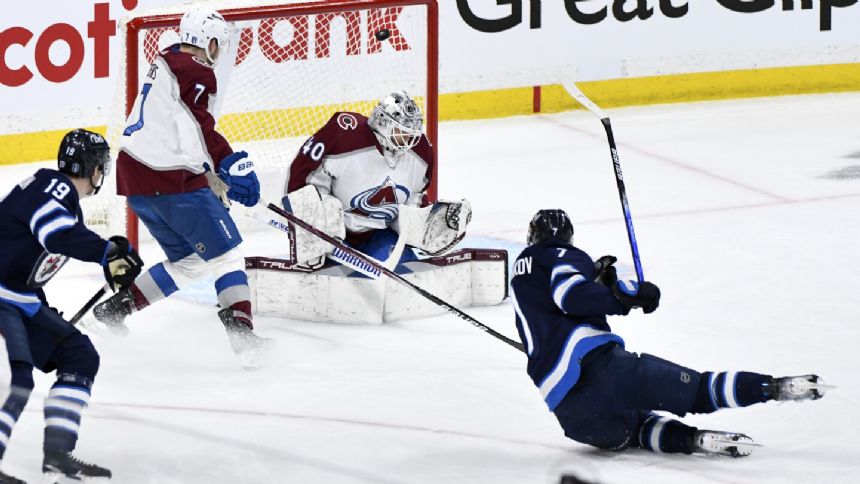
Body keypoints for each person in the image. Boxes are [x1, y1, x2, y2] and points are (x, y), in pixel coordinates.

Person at [510, 209, 826, 457]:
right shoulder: (557, 254)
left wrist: (600, 281)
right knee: (701, 390)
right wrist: (622, 297)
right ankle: (774, 388)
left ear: (531, 235)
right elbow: (570, 295)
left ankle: (692, 440)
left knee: (636, 428)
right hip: (601, 371)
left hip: (574, 416)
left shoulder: (523, 280)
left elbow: (561, 304)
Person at [92, 8, 269, 366]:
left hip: (136, 177)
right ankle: (243, 336)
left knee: (189, 261)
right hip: (168, 177)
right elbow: (198, 126)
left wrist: (211, 172)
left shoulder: (169, 60)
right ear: (211, 41)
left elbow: (180, 128)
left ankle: (116, 309)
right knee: (227, 256)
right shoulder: (196, 71)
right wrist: (227, 163)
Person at [0, 129, 144, 481]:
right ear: (95, 169)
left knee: (78, 355)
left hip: (21, 299)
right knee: (19, 381)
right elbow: (56, 233)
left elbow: (26, 260)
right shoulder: (54, 188)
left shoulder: (58, 196)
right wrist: (106, 253)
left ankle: (58, 455)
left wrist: (108, 256)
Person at [283, 90, 471, 268]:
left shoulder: (421, 153)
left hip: (380, 235)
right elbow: (302, 181)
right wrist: (309, 232)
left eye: (411, 134)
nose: (409, 140)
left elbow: (413, 198)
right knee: (326, 209)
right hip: (335, 238)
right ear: (383, 123)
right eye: (402, 132)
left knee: (399, 267)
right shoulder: (343, 136)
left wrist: (423, 223)